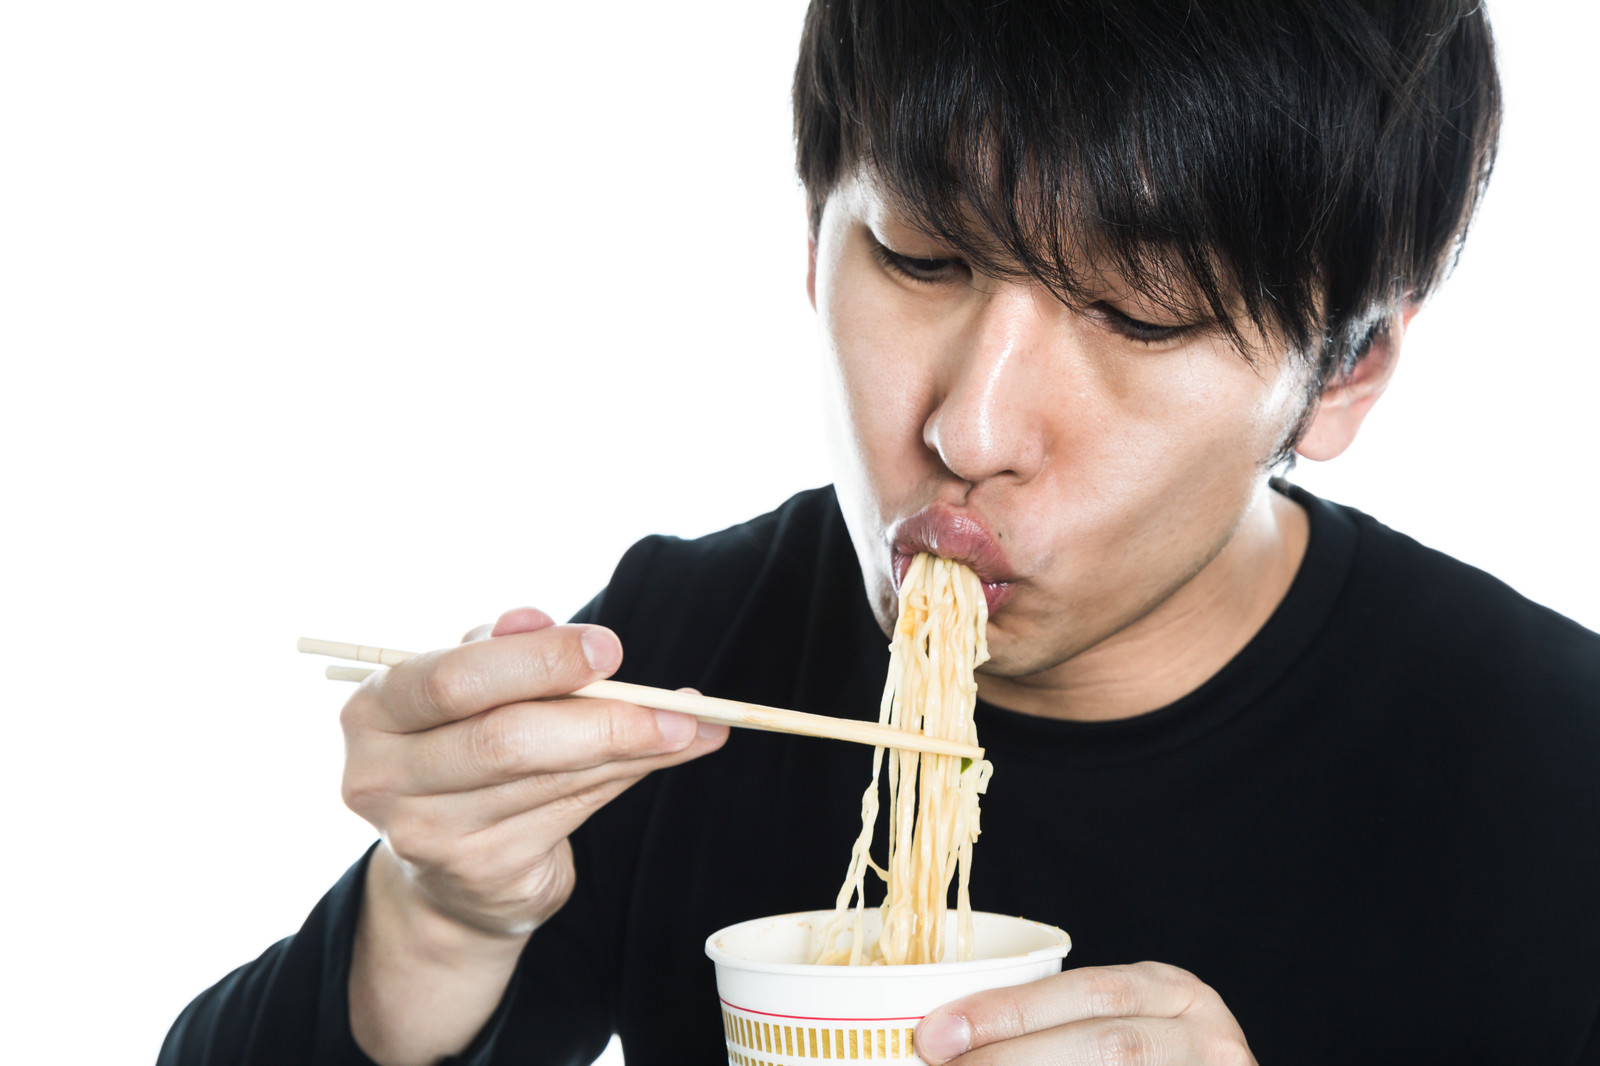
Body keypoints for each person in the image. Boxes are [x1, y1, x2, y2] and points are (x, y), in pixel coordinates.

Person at [160, 1, 1600, 1063]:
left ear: (1343, 370)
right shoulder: (686, 657)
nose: (970, 428)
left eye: (1138, 313)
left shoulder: (1552, 769)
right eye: (923, 255)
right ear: (813, 236)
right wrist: (439, 918)